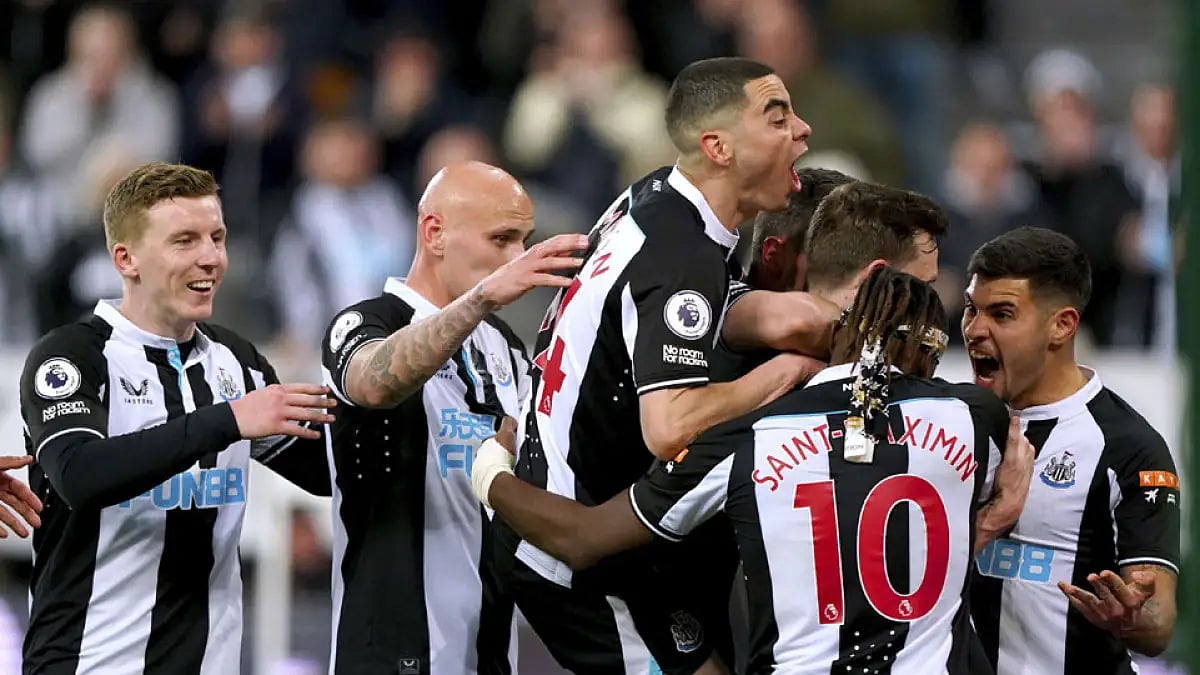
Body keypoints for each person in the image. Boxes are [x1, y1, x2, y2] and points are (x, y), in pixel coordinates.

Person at [478, 267, 1032, 674]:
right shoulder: (972, 416)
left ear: (837, 332)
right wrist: (994, 518)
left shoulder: (747, 435)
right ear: (931, 358)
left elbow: (582, 538)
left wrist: (492, 474)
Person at [496, 56, 815, 675]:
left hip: (578, 516)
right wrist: (783, 373)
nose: (802, 131)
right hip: (572, 548)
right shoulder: (682, 256)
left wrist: (779, 315)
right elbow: (668, 427)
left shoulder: (652, 198)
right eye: (778, 119)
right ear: (718, 147)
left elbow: (673, 312)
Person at [18, 161, 337, 673]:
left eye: (218, 237)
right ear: (127, 259)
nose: (211, 258)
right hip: (89, 662)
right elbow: (80, 475)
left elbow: (326, 473)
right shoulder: (72, 357)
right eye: (185, 241)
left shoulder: (237, 361)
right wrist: (227, 420)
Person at [319, 161, 588, 675]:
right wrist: (482, 297)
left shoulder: (506, 346)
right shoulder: (368, 320)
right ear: (435, 233)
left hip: (490, 651)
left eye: (525, 241)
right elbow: (373, 381)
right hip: (388, 650)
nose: (517, 258)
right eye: (502, 238)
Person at [962, 227, 1179, 674]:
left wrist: (1134, 618)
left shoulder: (1126, 446)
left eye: (1001, 314)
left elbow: (1159, 623)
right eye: (971, 308)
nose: (975, 330)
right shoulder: (956, 426)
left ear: (1062, 325)